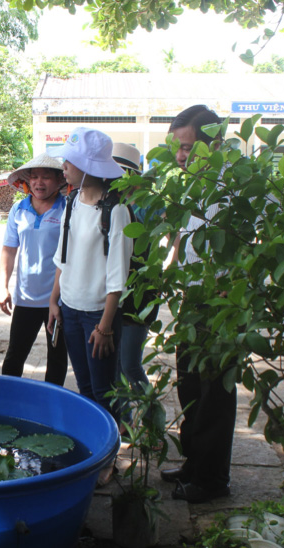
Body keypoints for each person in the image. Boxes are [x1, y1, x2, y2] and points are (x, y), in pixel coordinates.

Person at [158, 105, 238, 504]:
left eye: (187, 148)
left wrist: (232, 294)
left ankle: (212, 480)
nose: (180, 156)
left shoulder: (234, 190)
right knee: (189, 385)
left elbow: (253, 249)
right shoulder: (193, 185)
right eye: (178, 148)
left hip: (222, 304)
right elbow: (182, 239)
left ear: (215, 144)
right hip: (193, 299)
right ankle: (194, 464)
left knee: (214, 394)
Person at [48, 127, 132, 420]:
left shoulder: (116, 210)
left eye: (69, 162)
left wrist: (106, 326)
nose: (64, 168)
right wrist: (54, 302)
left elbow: (118, 276)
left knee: (103, 392)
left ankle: (111, 460)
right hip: (70, 311)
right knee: (85, 388)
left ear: (87, 167)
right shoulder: (71, 202)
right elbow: (62, 258)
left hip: (98, 316)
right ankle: (98, 457)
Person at [0, 153, 69, 385]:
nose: (39, 183)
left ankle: (50, 410)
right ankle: (7, 403)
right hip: (26, 299)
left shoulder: (68, 209)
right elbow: (9, 250)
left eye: (46, 177)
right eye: (35, 177)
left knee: (57, 360)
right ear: (27, 181)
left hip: (58, 300)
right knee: (14, 358)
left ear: (60, 180)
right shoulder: (18, 210)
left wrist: (58, 298)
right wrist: (4, 286)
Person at [111, 143, 162, 410]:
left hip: (141, 290)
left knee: (130, 363)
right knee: (115, 364)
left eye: (121, 171)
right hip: (114, 290)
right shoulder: (110, 201)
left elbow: (175, 235)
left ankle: (154, 417)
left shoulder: (149, 205)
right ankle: (123, 422)